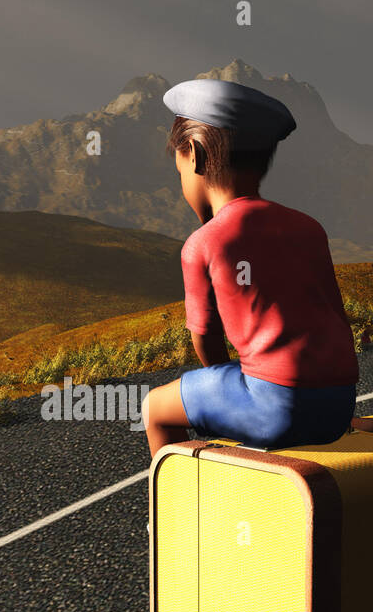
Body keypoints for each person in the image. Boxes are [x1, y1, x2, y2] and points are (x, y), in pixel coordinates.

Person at [142, 78, 360, 457]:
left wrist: (228, 387)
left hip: (274, 407)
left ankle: (176, 514)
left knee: (155, 409)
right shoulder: (310, 228)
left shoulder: (204, 243)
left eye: (179, 172)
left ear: (193, 154)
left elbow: (206, 340)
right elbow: (333, 320)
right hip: (338, 404)